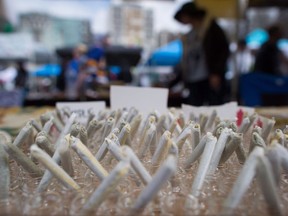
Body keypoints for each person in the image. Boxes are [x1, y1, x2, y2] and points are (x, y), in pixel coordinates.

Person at [173, 1, 230, 106]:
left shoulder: (211, 29)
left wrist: (216, 72)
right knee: (195, 108)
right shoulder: (189, 35)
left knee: (214, 106)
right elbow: (186, 61)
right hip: (192, 80)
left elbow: (223, 51)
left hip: (208, 77)